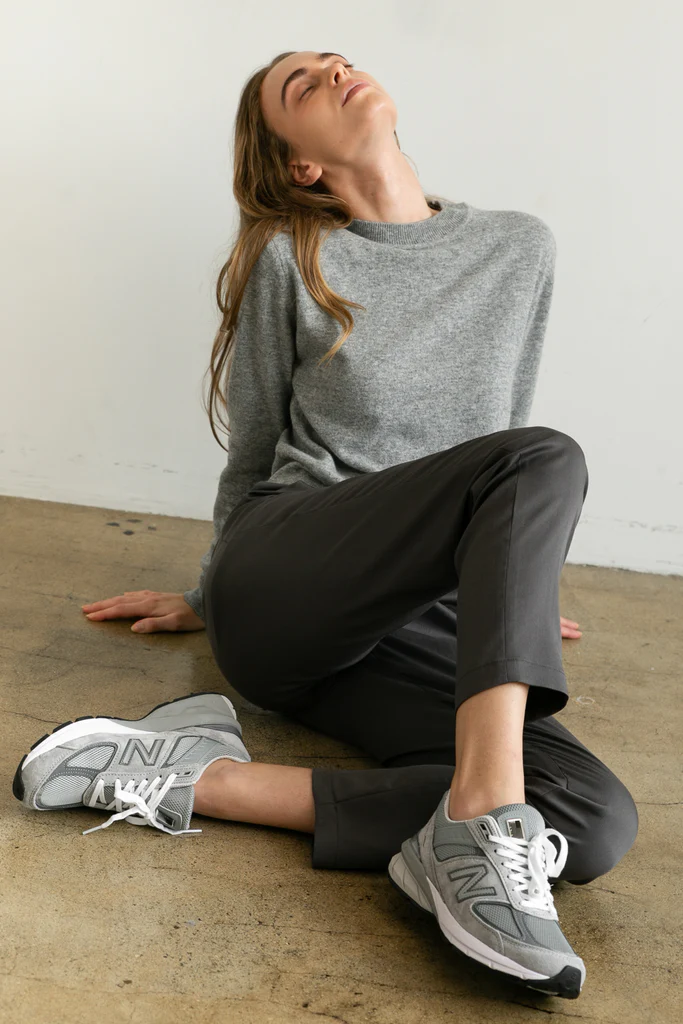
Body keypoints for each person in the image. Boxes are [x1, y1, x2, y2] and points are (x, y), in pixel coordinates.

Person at [13, 50, 638, 1000]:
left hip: (402, 622)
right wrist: (206, 591)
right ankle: (478, 824)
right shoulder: (292, 257)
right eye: (302, 85)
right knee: (547, 455)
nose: (334, 69)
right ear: (299, 164)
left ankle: (196, 778)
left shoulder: (519, 247)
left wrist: (504, 582)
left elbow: (492, 433)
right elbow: (255, 447)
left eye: (335, 60)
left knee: (592, 823)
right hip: (288, 576)